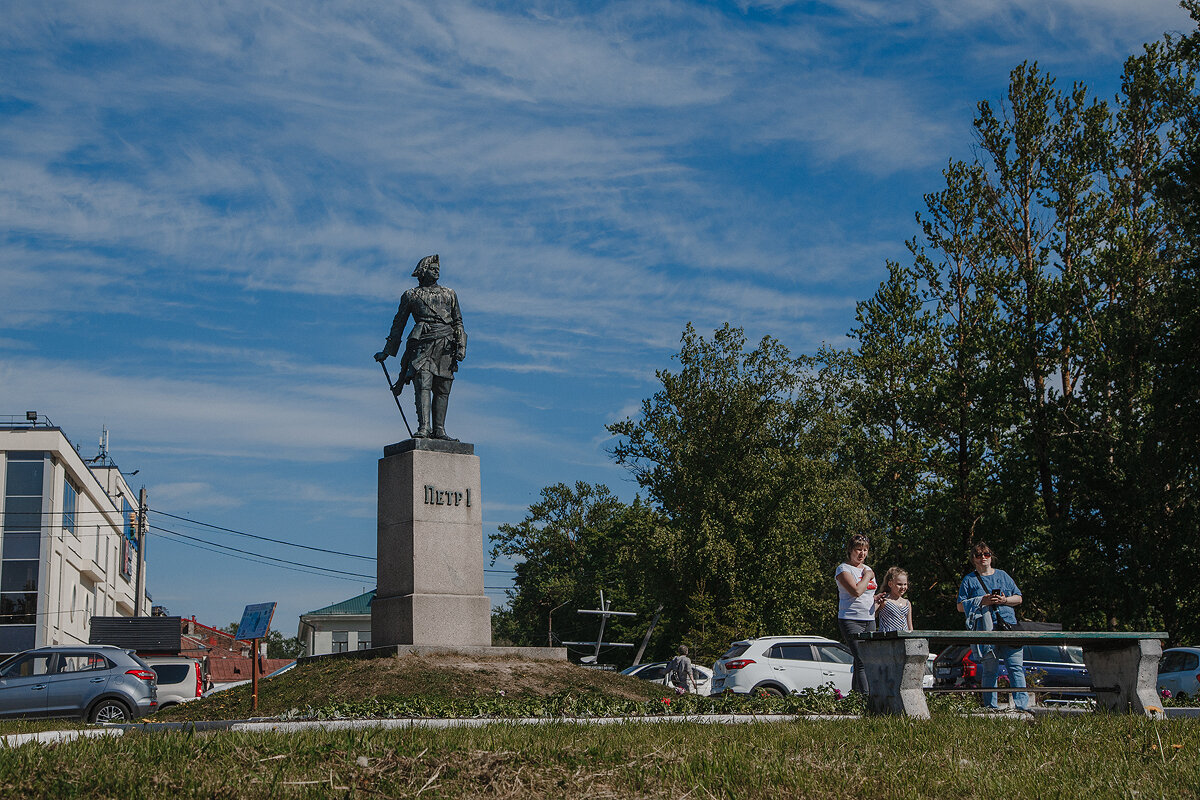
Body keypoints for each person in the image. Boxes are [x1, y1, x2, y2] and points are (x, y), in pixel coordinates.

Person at [375, 254, 467, 440]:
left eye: (438, 269)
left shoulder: (449, 293)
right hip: (423, 344)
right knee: (423, 383)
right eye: (432, 268)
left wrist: (461, 346)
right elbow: (399, 324)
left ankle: (439, 430)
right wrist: (387, 351)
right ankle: (424, 427)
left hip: (445, 344)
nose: (436, 271)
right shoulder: (411, 295)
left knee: (442, 387)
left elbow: (458, 322)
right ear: (423, 271)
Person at [956, 541, 1029, 713]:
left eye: (986, 554)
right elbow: (960, 606)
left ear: (991, 557)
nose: (983, 557)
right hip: (985, 629)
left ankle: (1022, 707)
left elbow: (1019, 598)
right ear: (973, 559)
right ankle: (990, 707)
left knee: (1015, 668)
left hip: (1008, 627)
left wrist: (1004, 600)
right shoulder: (969, 580)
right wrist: (982, 601)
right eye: (978, 555)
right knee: (990, 670)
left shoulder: (1003, 575)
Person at [834, 533, 877, 694]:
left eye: (865, 550)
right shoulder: (843, 569)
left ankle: (856, 697)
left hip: (869, 619)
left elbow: (868, 595)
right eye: (858, 549)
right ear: (850, 550)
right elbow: (856, 591)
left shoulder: (868, 569)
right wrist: (867, 576)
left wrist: (877, 600)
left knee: (865, 660)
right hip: (851, 618)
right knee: (862, 659)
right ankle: (866, 697)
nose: (862, 553)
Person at [874, 566, 913, 633]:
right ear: (890, 584)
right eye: (899, 584)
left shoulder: (907, 603)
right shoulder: (884, 600)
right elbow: (871, 614)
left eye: (905, 584)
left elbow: (910, 626)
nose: (903, 587)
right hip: (888, 636)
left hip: (904, 636)